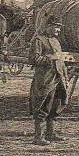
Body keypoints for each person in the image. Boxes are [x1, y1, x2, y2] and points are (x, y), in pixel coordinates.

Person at [29, 16, 68, 145]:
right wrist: (51, 57)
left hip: (58, 78)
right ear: (47, 26)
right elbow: (33, 59)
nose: (58, 29)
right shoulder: (38, 41)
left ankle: (50, 133)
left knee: (56, 105)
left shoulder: (56, 41)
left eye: (59, 27)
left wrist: (65, 77)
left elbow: (61, 61)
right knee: (43, 106)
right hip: (45, 79)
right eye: (56, 26)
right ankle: (38, 137)